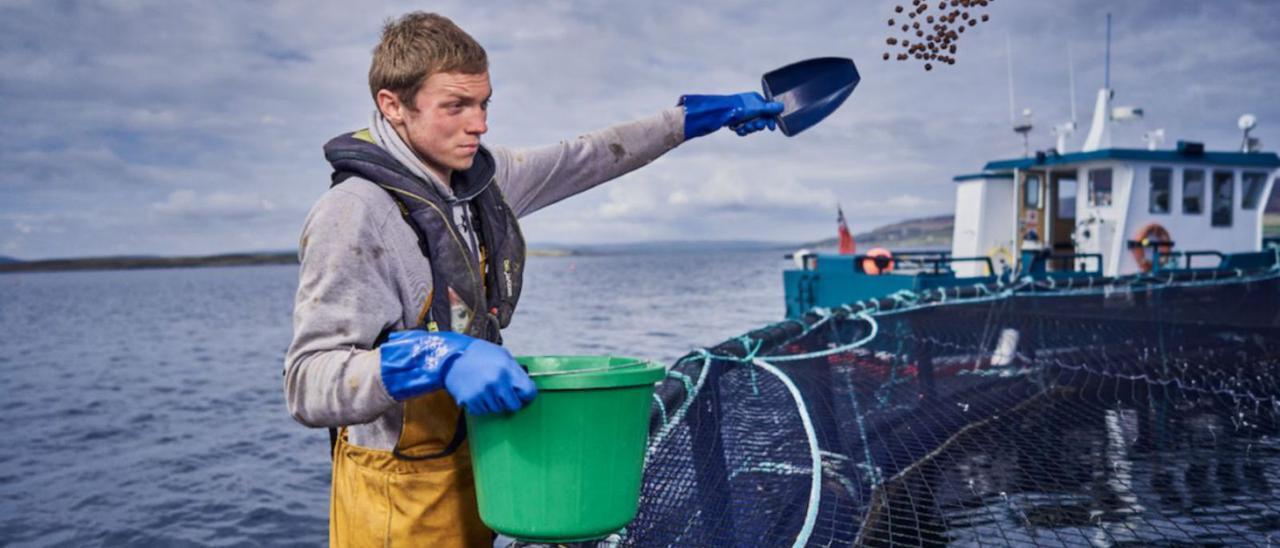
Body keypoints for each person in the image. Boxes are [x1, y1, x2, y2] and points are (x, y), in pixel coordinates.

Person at [284, 11, 782, 547]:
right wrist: (439, 357)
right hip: (392, 499)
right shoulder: (354, 214)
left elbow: (590, 155)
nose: (479, 124)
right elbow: (308, 382)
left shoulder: (481, 181)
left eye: (484, 103)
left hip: (476, 471)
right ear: (392, 106)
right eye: (455, 106)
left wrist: (691, 120)